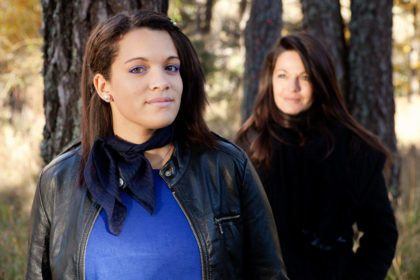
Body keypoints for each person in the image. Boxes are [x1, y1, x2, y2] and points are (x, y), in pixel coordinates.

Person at [26, 10, 288, 280]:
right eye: (138, 69)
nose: (161, 83)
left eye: (171, 67)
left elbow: (269, 274)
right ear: (104, 86)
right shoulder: (59, 181)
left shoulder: (226, 168)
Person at [236, 33, 398, 280]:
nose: (293, 88)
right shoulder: (247, 146)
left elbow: (381, 234)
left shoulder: (353, 149)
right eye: (283, 76)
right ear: (270, 79)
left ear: (321, 82)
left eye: (305, 77)